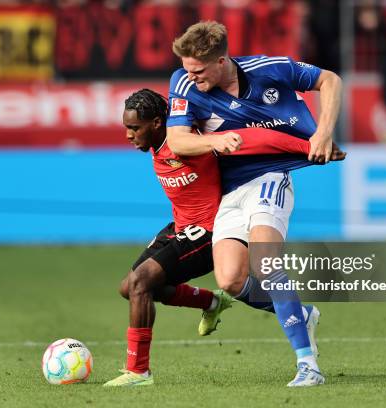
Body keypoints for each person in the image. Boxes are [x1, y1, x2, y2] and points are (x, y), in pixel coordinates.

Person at [104, 88, 345, 387]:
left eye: (133, 128)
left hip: (209, 229)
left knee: (143, 283)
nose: (128, 135)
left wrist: (307, 147)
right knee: (130, 288)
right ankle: (211, 302)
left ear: (156, 123)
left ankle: (138, 372)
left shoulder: (192, 140)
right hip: (180, 226)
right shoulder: (157, 141)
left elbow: (257, 139)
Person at [167, 21, 343, 387]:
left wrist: (324, 132)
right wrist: (214, 143)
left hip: (270, 178)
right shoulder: (184, 82)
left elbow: (330, 80)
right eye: (187, 69)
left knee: (266, 264)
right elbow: (179, 141)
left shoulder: (270, 69)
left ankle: (308, 364)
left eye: (198, 71)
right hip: (230, 191)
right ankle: (301, 313)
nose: (191, 77)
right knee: (230, 280)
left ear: (221, 61)